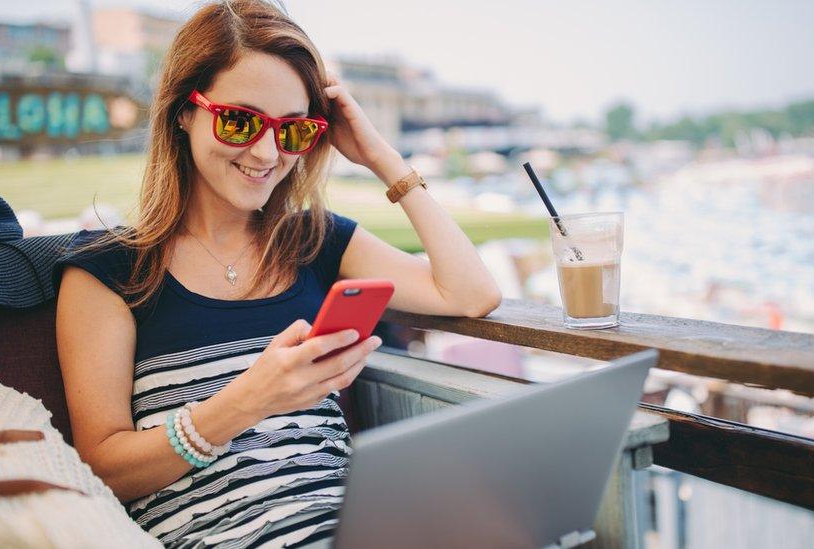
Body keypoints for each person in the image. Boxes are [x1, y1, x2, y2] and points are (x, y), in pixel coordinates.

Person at [52, 1, 502, 546]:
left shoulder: (314, 240)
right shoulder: (107, 271)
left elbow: (472, 293)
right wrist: (248, 400)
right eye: (240, 121)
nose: (266, 152)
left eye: (293, 130)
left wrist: (382, 156)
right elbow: (102, 471)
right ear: (184, 112)